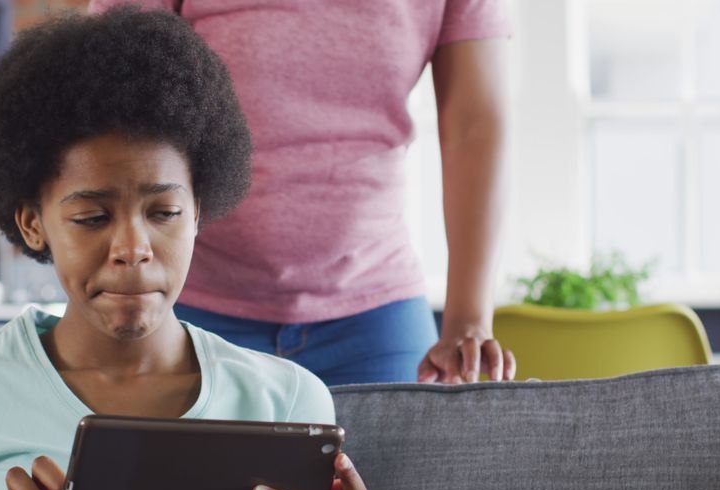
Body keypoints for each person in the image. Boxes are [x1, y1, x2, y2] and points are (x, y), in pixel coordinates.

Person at [0, 8, 368, 490]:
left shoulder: (289, 402)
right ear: (32, 223)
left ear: (198, 211)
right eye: (93, 217)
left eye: (164, 212)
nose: (133, 247)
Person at [88, 0, 518, 386]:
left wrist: (468, 319)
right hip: (191, 304)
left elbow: (472, 128)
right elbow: (113, 97)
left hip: (374, 311)